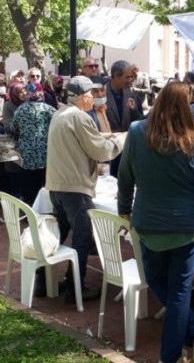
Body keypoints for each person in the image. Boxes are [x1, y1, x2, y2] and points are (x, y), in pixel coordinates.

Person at [118, 81, 194, 363]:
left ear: (159, 101)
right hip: (186, 229)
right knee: (177, 290)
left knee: (157, 280)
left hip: (149, 225)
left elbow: (125, 178)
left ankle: (178, 350)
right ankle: (180, 347)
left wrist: (124, 211)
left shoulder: (137, 132)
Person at [44, 76, 125, 304]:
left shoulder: (60, 114)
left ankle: (43, 279)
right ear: (84, 96)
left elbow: (88, 140)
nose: (96, 97)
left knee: (58, 233)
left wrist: (109, 136)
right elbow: (101, 152)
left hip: (57, 185)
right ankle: (74, 288)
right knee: (82, 238)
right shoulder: (80, 117)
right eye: (93, 93)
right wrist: (122, 141)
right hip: (74, 188)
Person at [11, 84, 56, 205]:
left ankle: (30, 210)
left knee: (29, 183)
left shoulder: (20, 110)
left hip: (27, 153)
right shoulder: (48, 109)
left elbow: (13, 128)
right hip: (45, 153)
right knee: (45, 183)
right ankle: (45, 209)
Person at [105, 60, 144, 176]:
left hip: (126, 148)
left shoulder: (130, 94)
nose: (131, 80)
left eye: (131, 77)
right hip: (108, 150)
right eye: (127, 77)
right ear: (116, 76)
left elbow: (139, 120)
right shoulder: (101, 93)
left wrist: (133, 110)